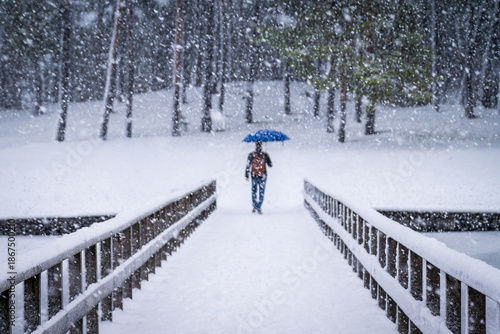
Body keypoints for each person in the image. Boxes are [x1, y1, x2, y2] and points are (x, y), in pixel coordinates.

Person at [245, 141, 272, 214]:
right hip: (262, 176)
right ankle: (259, 207)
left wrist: (246, 175)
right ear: (261, 146)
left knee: (254, 191)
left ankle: (254, 206)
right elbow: (270, 165)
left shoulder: (251, 155)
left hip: (254, 176)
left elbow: (248, 165)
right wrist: (267, 157)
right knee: (261, 192)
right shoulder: (264, 155)